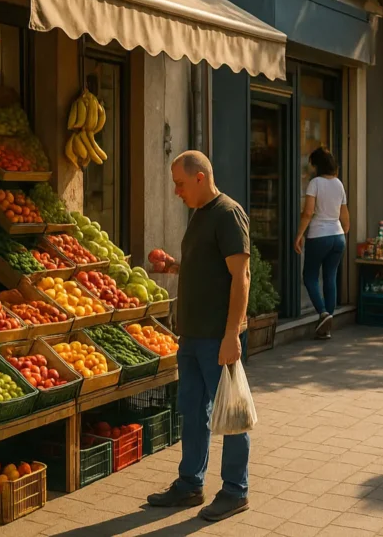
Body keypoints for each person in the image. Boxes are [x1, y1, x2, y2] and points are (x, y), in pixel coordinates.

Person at [149, 150, 251, 522]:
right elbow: (210, 267)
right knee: (192, 413)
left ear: (199, 177)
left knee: (232, 414)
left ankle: (235, 490)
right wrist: (176, 267)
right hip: (190, 336)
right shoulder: (200, 215)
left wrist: (231, 334)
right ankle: (190, 484)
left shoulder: (227, 214)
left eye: (179, 183)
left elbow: (241, 276)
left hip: (216, 337)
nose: (176, 191)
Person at [294, 146, 350, 340]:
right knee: (330, 277)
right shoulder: (339, 184)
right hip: (338, 236)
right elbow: (345, 216)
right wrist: (343, 232)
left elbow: (308, 212)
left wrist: (299, 234)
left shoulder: (315, 183)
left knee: (309, 276)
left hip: (319, 235)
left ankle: (323, 313)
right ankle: (327, 324)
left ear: (317, 165)